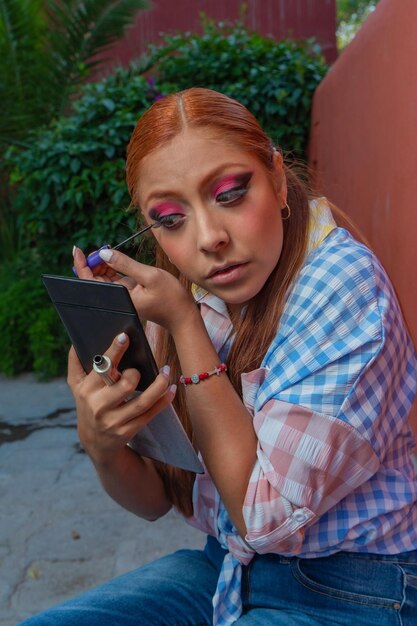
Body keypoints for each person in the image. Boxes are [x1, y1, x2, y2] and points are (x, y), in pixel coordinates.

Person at [20, 87, 417, 625]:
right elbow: (158, 499)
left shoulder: (342, 285)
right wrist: (103, 445)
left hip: (357, 589)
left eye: (230, 193)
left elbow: (264, 518)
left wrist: (184, 325)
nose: (209, 238)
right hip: (229, 568)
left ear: (278, 179)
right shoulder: (188, 295)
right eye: (171, 218)